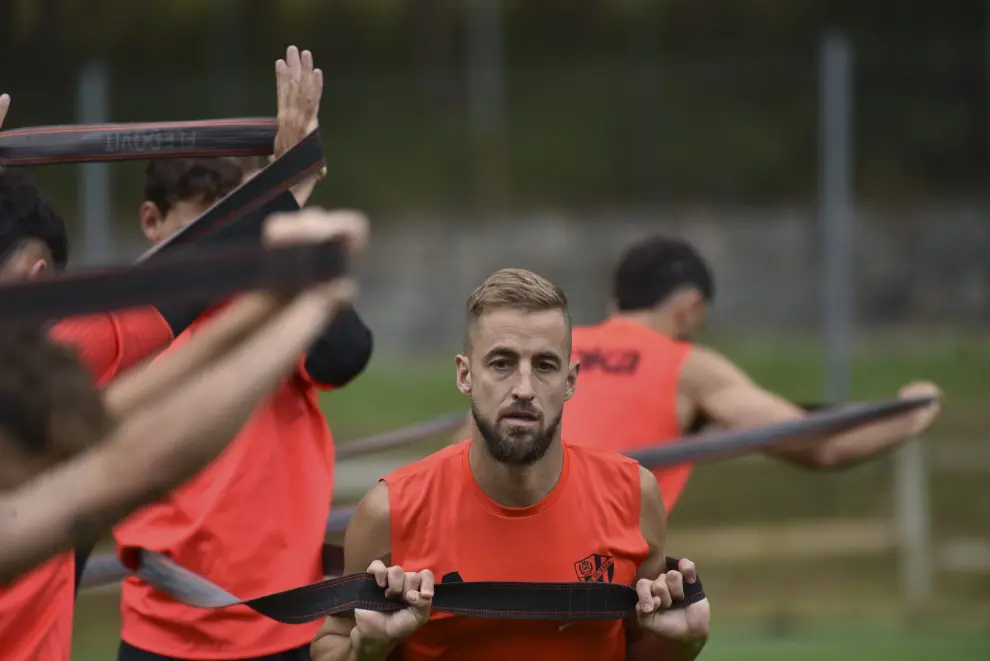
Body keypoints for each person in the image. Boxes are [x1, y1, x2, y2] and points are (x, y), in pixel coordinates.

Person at [0, 208, 368, 660]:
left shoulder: (26, 452)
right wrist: (310, 300)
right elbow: (141, 463)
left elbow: (106, 418)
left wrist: (276, 297)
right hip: (165, 627)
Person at [112, 46, 374, 661]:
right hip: (159, 631)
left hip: (277, 628)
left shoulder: (272, 298)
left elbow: (347, 353)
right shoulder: (129, 319)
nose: (228, 252)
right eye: (209, 226)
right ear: (152, 221)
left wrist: (287, 236)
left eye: (240, 226)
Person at [310, 268, 711, 661]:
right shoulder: (390, 510)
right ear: (465, 374)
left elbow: (640, 646)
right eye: (502, 363)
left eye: (545, 366)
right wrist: (368, 649)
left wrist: (681, 645)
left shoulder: (633, 495)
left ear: (570, 381)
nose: (523, 388)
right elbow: (333, 642)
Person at [560, 236, 943, 511]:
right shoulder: (689, 367)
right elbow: (821, 446)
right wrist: (912, 413)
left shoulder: (555, 346)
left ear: (615, 303)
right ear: (690, 308)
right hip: (593, 569)